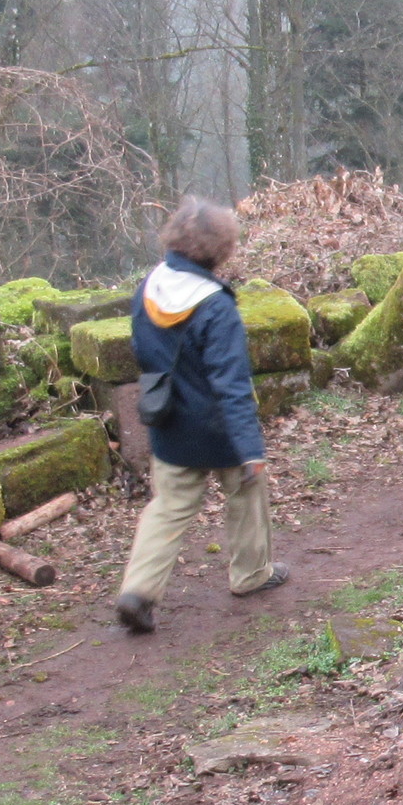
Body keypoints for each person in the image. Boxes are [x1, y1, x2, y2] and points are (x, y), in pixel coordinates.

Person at [113, 199, 289, 634]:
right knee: (247, 493)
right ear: (221, 248)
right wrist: (251, 449)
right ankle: (251, 574)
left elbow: (140, 349)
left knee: (168, 507)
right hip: (218, 427)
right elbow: (232, 383)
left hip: (169, 418)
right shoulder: (216, 306)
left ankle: (138, 592)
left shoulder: (150, 286)